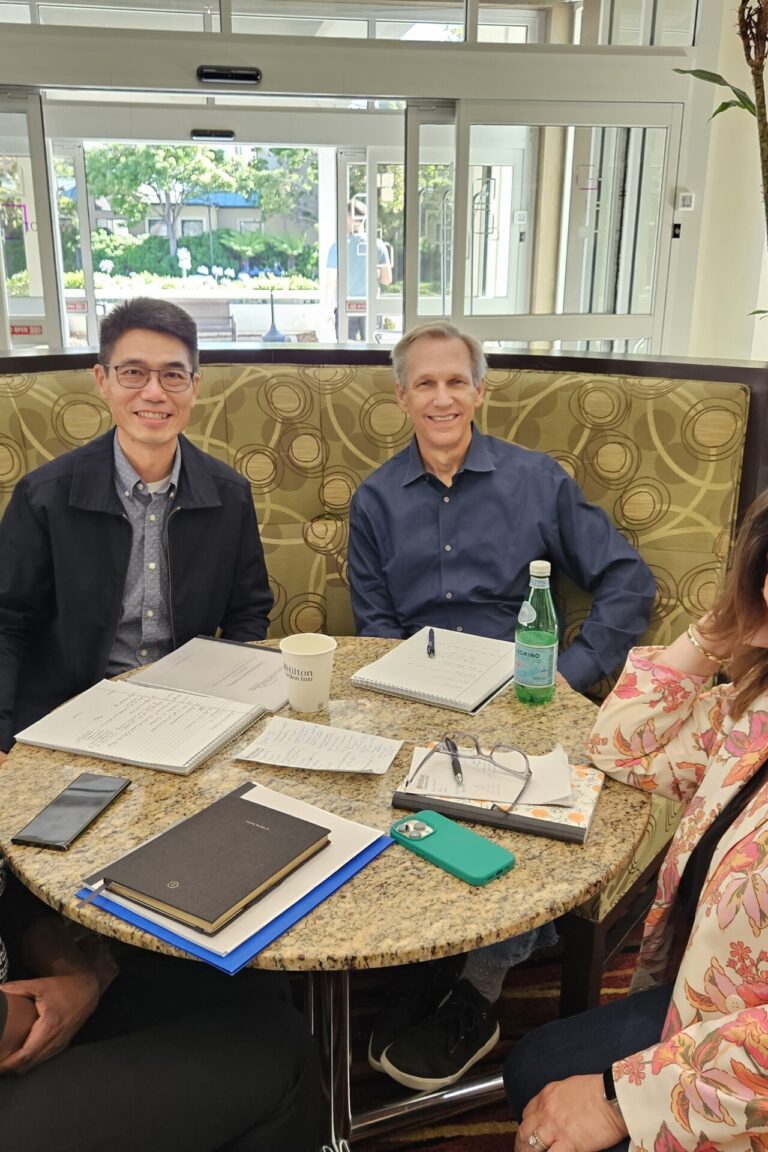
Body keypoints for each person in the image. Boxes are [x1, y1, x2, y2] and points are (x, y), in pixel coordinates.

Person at [350, 321, 656, 1092]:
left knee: (533, 815)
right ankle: (428, 963)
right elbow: (376, 629)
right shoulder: (375, 499)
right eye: (426, 383)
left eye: (458, 381)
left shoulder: (536, 482)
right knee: (379, 800)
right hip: (419, 705)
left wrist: (568, 677)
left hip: (523, 700)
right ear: (401, 397)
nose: (443, 396)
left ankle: (477, 989)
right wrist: (407, 709)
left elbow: (629, 582)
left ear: (481, 391)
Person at [504, 488, 768, 1152]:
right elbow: (622, 743)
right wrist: (718, 630)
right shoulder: (755, 710)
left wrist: (629, 1100)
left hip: (745, 1075)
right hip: (706, 1008)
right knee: (532, 1068)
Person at [0, 297, 273, 762]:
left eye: (172, 374)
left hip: (190, 715)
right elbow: (7, 623)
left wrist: (231, 702)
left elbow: (249, 613)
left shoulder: (229, 495)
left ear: (194, 387)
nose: (153, 392)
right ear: (102, 380)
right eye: (133, 372)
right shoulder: (43, 496)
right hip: (68, 714)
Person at [0, 857, 323, 1150]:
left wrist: (74, 975)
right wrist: (84, 986)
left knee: (250, 982)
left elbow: (11, 899)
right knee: (281, 1049)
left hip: (34, 997)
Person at [326, 197, 393, 341]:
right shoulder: (378, 245)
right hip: (371, 306)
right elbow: (387, 280)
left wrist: (328, 310)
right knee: (373, 351)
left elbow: (331, 282)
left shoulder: (338, 246)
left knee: (346, 353)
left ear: (349, 218)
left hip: (346, 307)